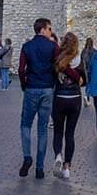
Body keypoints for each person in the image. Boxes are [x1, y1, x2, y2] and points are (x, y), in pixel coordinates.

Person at [17, 18, 57, 179]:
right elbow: (57, 65)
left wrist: (23, 84)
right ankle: (40, 168)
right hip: (47, 88)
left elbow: (21, 69)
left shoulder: (27, 46)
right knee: (42, 128)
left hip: (31, 87)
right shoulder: (53, 46)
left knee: (25, 124)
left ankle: (27, 156)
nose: (50, 32)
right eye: (49, 29)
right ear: (42, 29)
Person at [51, 32, 85, 181]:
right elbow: (84, 81)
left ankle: (58, 154)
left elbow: (52, 78)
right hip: (75, 99)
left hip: (59, 98)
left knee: (58, 132)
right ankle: (66, 167)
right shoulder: (79, 59)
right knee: (70, 134)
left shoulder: (57, 59)